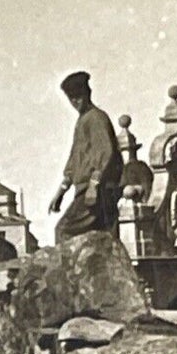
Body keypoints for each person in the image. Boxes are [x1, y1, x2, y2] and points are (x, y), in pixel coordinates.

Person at [50, 70, 123, 240]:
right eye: (71, 98)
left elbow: (105, 155)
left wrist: (93, 186)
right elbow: (75, 161)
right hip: (89, 190)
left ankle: (68, 268)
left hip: (98, 192)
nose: (75, 101)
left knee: (64, 230)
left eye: (78, 96)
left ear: (87, 93)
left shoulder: (96, 118)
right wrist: (61, 191)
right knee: (102, 239)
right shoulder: (83, 120)